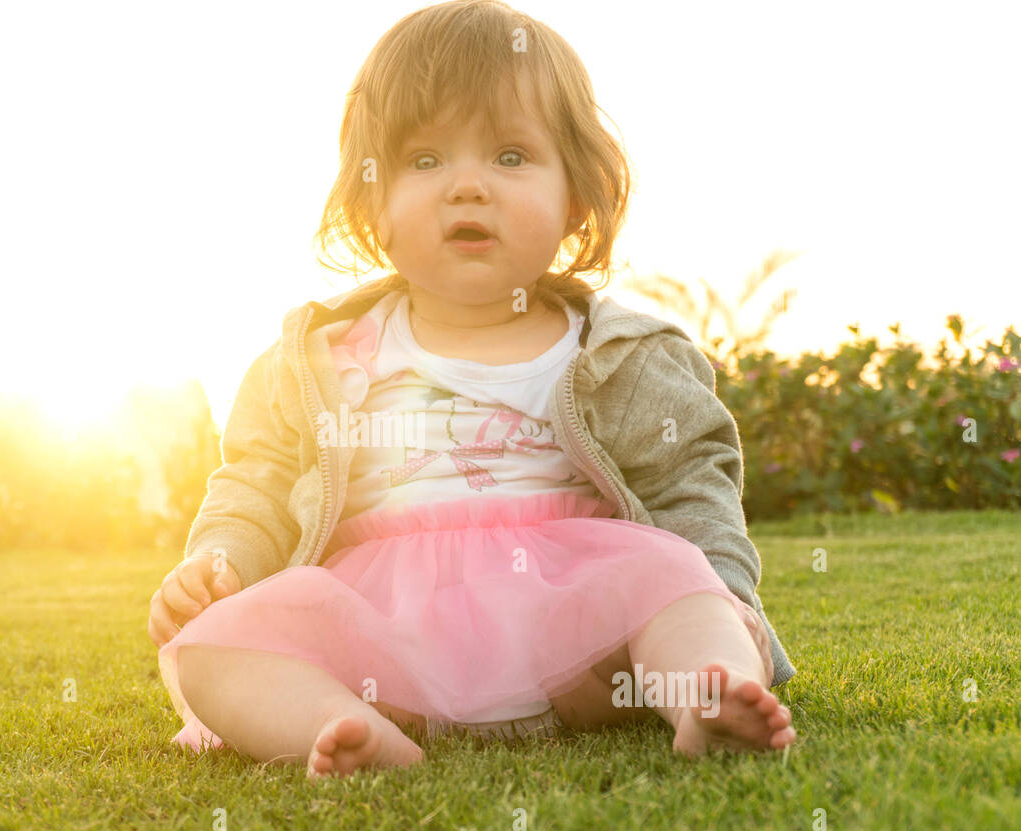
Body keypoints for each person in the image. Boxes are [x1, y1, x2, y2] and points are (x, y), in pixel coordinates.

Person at [148, 0, 797, 780]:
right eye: (424, 161)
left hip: (578, 638)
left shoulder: (625, 356)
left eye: (511, 156)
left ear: (576, 197)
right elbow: (254, 484)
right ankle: (341, 724)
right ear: (372, 205)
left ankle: (706, 695)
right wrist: (219, 562)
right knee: (215, 649)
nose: (466, 187)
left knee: (675, 581)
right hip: (384, 637)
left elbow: (693, 491)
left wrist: (724, 605)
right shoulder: (314, 361)